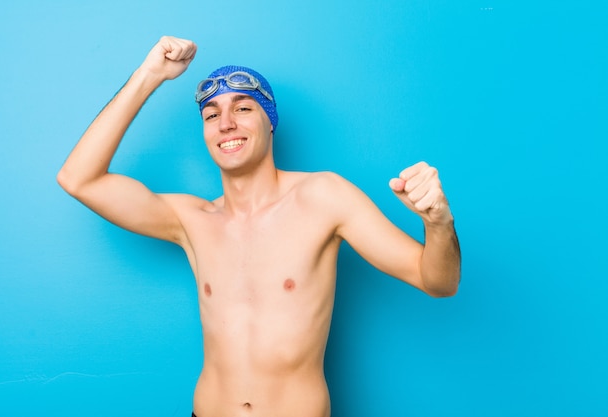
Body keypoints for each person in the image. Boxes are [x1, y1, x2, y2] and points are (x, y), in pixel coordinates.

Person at [57, 36, 460, 417]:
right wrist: (150, 75)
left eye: (243, 107)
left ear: (270, 122)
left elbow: (437, 281)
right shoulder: (190, 220)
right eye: (211, 115)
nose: (226, 123)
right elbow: (79, 179)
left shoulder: (324, 197)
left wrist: (438, 223)